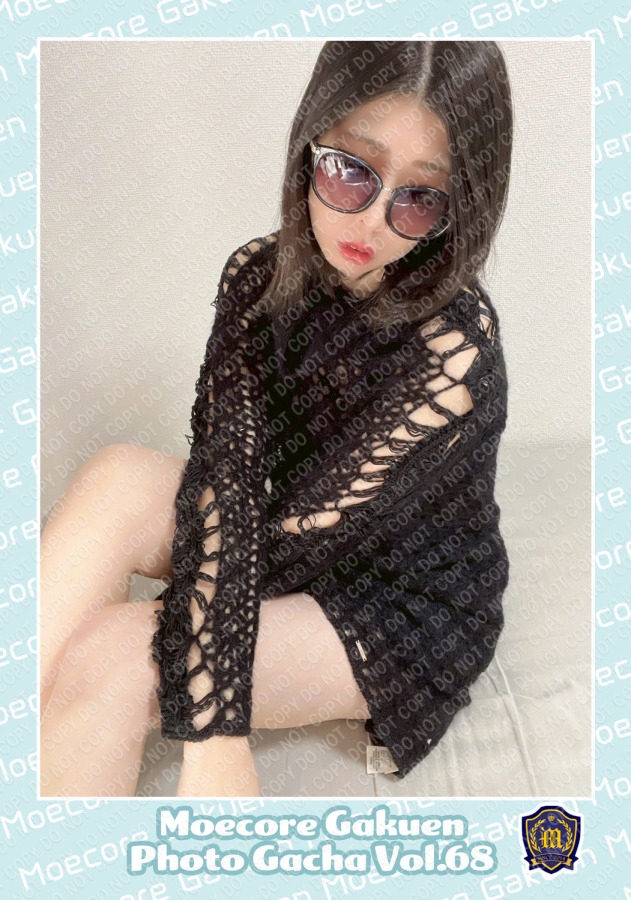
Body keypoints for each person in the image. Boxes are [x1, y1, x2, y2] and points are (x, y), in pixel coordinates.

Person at [40, 39, 513, 797]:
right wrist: (215, 704)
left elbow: (293, 548)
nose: (373, 220)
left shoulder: (453, 354)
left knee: (114, 656)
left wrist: (214, 723)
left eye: (420, 198)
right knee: (117, 475)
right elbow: (228, 474)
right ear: (310, 146)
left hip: (395, 598)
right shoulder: (259, 274)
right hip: (278, 519)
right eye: (350, 170)